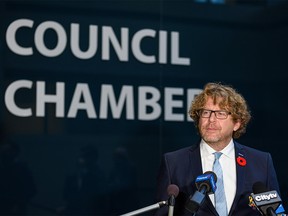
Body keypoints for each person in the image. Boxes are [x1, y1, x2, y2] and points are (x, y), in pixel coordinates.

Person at [154, 82, 281, 216]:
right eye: (206, 112)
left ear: (237, 123)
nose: (211, 120)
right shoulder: (174, 163)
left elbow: (275, 212)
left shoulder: (261, 162)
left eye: (220, 113)